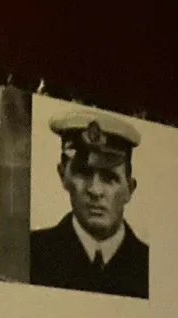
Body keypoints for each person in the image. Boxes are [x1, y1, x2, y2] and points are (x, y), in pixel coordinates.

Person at [29, 109, 149, 299]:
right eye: (83, 173)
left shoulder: (147, 265)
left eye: (109, 178)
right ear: (63, 176)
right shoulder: (31, 253)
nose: (95, 190)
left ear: (130, 189)